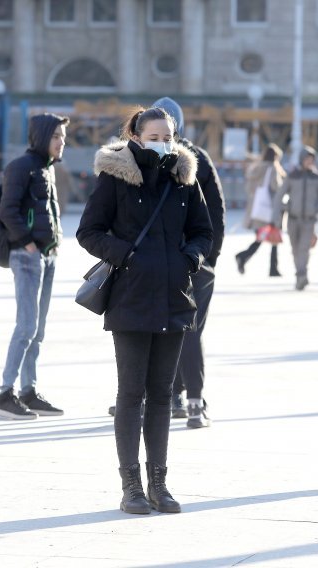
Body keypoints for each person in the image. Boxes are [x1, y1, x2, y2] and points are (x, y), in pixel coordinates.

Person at [77, 107, 212, 514]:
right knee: (130, 394)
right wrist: (127, 257)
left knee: (162, 395)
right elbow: (88, 231)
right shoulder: (115, 177)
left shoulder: (183, 177)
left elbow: (204, 230)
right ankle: (131, 486)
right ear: (136, 137)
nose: (164, 142)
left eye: (169, 135)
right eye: (155, 136)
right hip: (131, 300)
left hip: (173, 298)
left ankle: (159, 483)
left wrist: (188, 259)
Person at [152, 96, 225, 428]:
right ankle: (193, 403)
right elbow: (217, 213)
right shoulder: (199, 159)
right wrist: (210, 258)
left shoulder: (142, 159)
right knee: (191, 330)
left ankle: (170, 397)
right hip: (196, 260)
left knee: (160, 329)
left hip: (162, 262)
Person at [0, 113, 69, 420]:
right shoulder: (21, 167)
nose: (61, 142)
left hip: (46, 256)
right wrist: (28, 244)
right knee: (26, 327)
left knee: (38, 330)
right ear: (41, 137)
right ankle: (5, 393)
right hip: (27, 257)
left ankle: (29, 390)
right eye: (56, 137)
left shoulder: (46, 168)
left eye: (63, 137)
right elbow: (6, 210)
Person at [273, 145, 318, 291]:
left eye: (312, 159)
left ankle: (301, 276)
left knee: (304, 248)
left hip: (309, 220)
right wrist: (277, 218)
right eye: (307, 159)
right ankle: (300, 274)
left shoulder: (317, 177)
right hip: (292, 219)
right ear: (301, 159)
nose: (309, 162)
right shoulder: (292, 175)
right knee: (295, 249)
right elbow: (279, 195)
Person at [236, 143, 286, 278]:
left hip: (257, 211)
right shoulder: (272, 169)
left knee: (264, 237)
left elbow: (249, 189)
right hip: (269, 211)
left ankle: (271, 267)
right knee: (268, 237)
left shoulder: (256, 169)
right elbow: (277, 188)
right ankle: (243, 256)